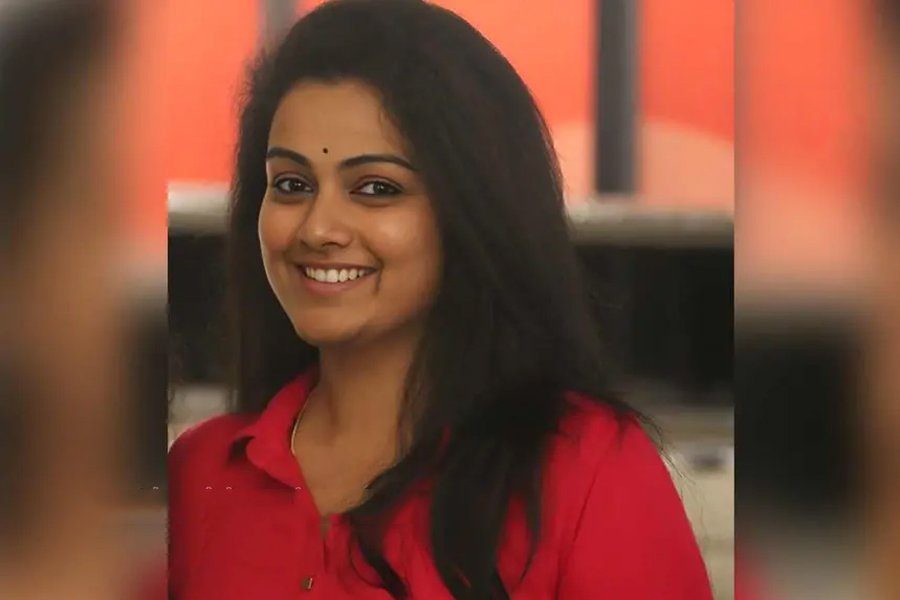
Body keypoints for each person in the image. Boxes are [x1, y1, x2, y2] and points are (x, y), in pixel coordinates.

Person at [168, 1, 712, 598]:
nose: (318, 228)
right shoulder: (200, 474)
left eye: (376, 188)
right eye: (292, 185)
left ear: (470, 212)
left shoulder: (587, 470)